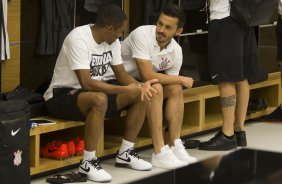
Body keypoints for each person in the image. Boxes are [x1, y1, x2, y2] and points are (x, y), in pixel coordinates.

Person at [44, 4, 158, 183]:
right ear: (109, 28)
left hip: (96, 91)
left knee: (139, 93)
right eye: (120, 32)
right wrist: (125, 89)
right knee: (99, 99)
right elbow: (87, 83)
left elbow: (122, 75)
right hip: (61, 96)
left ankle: (125, 152)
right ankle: (88, 162)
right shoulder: (79, 38)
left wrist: (140, 86)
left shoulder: (112, 41)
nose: (121, 36)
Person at [107, 3, 197, 169]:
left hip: (139, 84)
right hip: (115, 80)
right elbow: (147, 75)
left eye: (168, 27)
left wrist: (178, 82)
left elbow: (171, 84)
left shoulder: (176, 51)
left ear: (178, 32)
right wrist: (182, 79)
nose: (161, 29)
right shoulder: (142, 34)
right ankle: (159, 151)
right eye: (160, 23)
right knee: (156, 87)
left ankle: (174, 144)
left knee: (175, 88)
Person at [199, 0, 261, 150]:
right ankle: (238, 130)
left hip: (224, 18)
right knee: (241, 76)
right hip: (244, 18)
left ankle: (227, 134)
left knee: (225, 77)